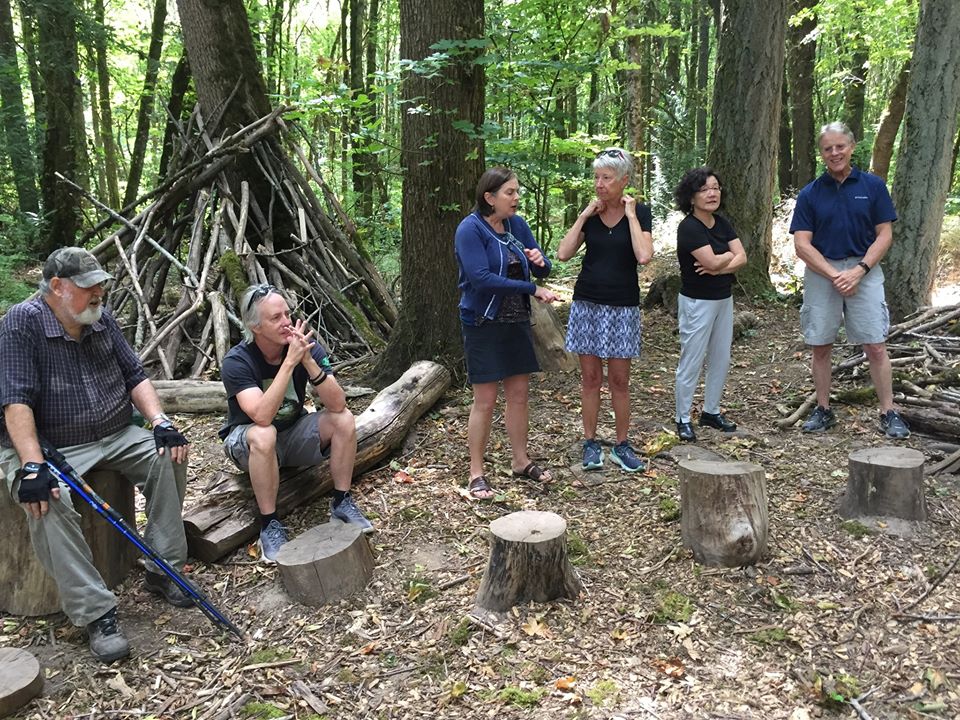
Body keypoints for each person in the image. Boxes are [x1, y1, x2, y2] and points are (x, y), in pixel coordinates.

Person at [0, 247, 192, 663]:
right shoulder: (21, 324)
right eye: (88, 286)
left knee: (168, 455)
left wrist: (160, 422)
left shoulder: (100, 318)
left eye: (100, 284)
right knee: (45, 500)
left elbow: (134, 375)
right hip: (51, 444)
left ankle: (165, 567)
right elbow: (16, 401)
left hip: (114, 432)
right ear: (56, 287)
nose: (98, 292)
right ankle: (96, 612)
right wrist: (32, 465)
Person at [219, 284, 372, 563]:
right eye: (275, 318)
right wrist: (289, 364)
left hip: (292, 432)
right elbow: (262, 417)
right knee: (264, 434)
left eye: (287, 314)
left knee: (344, 420)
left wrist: (308, 362)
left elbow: (338, 404)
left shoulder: (304, 347)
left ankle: (341, 502)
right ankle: (270, 525)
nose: (287, 323)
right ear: (255, 327)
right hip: (247, 441)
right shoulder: (237, 361)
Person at [789, 121, 909, 439]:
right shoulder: (811, 194)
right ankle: (824, 409)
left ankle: (888, 410)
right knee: (820, 345)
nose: (834, 153)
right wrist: (834, 274)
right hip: (821, 272)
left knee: (876, 344)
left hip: (864, 271)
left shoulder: (872, 186)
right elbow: (802, 244)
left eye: (840, 146)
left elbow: (885, 234)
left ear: (852, 146)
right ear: (822, 153)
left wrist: (860, 270)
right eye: (827, 148)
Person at [454, 167, 559, 499]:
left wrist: (540, 262)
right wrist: (532, 287)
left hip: (516, 322)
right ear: (489, 197)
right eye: (509, 193)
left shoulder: (516, 225)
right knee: (484, 400)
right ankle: (476, 473)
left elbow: (543, 266)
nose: (516, 198)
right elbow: (481, 278)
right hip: (483, 322)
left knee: (519, 396)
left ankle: (520, 460)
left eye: (516, 192)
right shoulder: (470, 230)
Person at [558, 148, 654, 471]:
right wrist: (584, 216)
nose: (599, 184)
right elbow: (563, 253)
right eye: (596, 177)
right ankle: (590, 443)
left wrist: (630, 216)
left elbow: (644, 256)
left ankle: (621, 445)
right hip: (587, 303)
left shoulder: (640, 212)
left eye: (606, 178)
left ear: (624, 181)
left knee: (619, 380)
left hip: (623, 307)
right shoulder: (591, 214)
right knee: (589, 377)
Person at [672, 167, 748, 442]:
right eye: (704, 189)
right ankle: (682, 417)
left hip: (723, 299)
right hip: (696, 301)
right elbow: (717, 260)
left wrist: (719, 266)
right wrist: (726, 259)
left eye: (715, 187)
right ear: (691, 197)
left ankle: (710, 411)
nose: (712, 193)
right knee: (692, 359)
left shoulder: (722, 223)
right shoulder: (689, 228)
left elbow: (742, 258)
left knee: (720, 357)